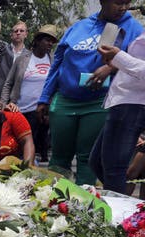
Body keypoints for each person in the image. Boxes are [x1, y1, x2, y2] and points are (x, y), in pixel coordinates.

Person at [36, 0, 143, 185]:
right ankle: (52, 204)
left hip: (99, 102)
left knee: (88, 160)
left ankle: (83, 208)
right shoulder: (79, 27)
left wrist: (110, 68)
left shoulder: (133, 28)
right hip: (65, 100)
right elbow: (58, 63)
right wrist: (44, 97)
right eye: (118, 2)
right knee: (59, 159)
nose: (123, 8)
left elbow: (136, 64)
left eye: (127, 3)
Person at [89, 31, 145, 194]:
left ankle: (118, 212)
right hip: (123, 102)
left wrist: (118, 56)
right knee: (97, 162)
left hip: (134, 104)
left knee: (114, 169)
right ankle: (120, 200)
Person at [2, 25, 59, 163]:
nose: (50, 43)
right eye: (47, 40)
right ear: (38, 40)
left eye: (52, 41)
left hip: (41, 113)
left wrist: (50, 109)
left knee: (37, 151)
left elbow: (56, 87)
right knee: (17, 149)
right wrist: (4, 104)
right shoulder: (23, 59)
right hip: (19, 110)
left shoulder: (52, 60)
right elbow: (8, 83)